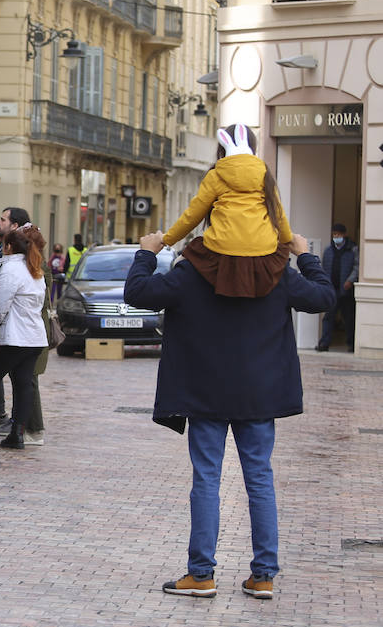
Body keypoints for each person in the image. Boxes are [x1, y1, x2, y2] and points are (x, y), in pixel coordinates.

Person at [126, 229, 332, 600]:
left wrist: (147, 252)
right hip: (259, 394)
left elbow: (138, 293)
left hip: (206, 394)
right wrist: (305, 256)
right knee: (259, 480)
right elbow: (323, 298)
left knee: (206, 479)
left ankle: (201, 574)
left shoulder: (194, 269)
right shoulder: (274, 269)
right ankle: (264, 575)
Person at [161, 124, 293, 298]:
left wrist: (166, 240)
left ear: (222, 147)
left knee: (181, 265)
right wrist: (287, 241)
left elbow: (192, 216)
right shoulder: (264, 174)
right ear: (253, 147)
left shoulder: (215, 175)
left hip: (220, 250)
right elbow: (278, 213)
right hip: (262, 250)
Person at [0, 206, 53, 445]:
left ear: (10, 247)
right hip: (34, 338)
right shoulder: (36, 269)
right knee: (23, 385)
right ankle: (17, 435)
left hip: (14, 337)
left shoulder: (11, 269)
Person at [318, 223, 357, 351]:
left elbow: (357, 268)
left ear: (344, 235)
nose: (336, 237)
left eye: (338, 234)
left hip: (346, 290)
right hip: (331, 289)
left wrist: (350, 281)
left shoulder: (352, 250)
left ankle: (351, 344)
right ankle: (324, 343)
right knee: (328, 317)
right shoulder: (329, 250)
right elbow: (324, 268)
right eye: (334, 234)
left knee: (348, 318)